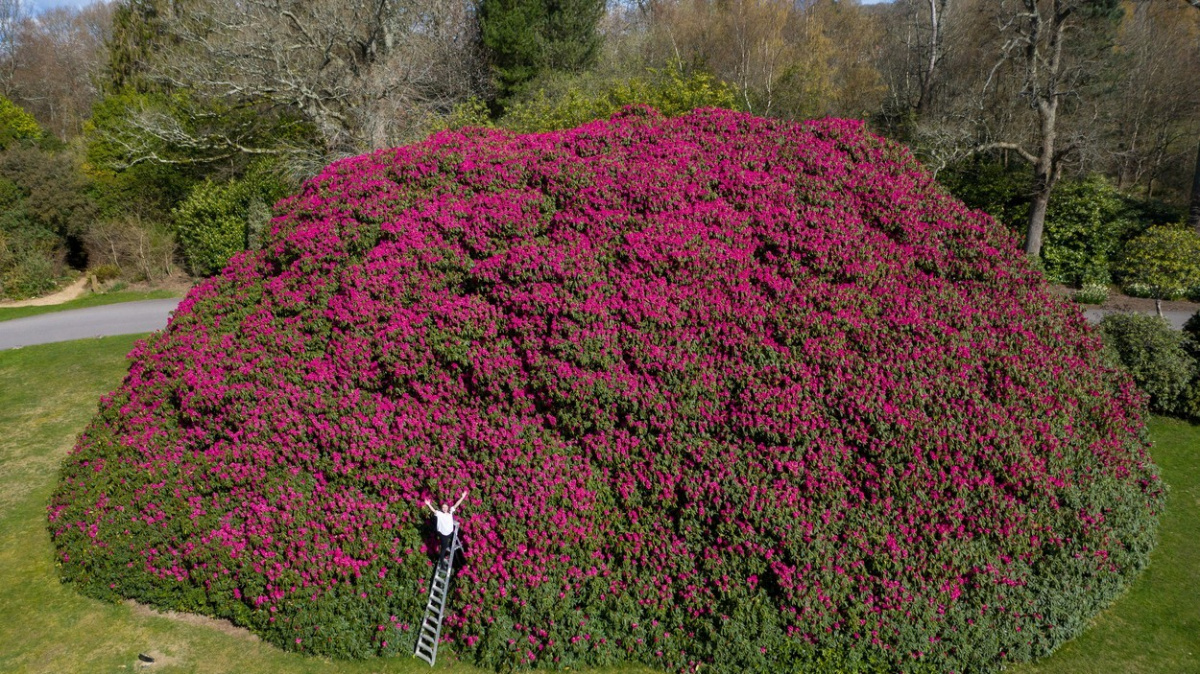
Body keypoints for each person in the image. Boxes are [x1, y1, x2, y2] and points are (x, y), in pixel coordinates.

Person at [425, 490, 468, 569]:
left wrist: (462, 497)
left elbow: (456, 504)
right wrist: (428, 504)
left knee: (453, 542)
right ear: (442, 508)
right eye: (443, 507)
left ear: (448, 507)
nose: (444, 508)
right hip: (443, 534)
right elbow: (433, 510)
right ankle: (441, 563)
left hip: (450, 532)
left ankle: (460, 559)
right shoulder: (440, 514)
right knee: (443, 549)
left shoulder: (451, 511)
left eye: (445, 507)